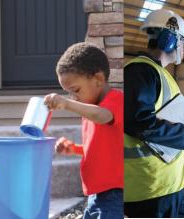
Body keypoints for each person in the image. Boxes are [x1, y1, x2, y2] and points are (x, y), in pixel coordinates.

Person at [124, 9, 184, 217]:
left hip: (176, 184)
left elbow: (168, 113)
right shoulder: (140, 72)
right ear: (170, 40)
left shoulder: (158, 73)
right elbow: (139, 122)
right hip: (152, 190)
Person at [44, 42, 124, 219]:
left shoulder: (116, 101)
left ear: (98, 79)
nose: (73, 97)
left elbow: (103, 116)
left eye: (75, 90)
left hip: (114, 194)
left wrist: (66, 104)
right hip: (95, 195)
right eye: (68, 94)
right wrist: (75, 149)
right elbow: (99, 148)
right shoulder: (89, 110)